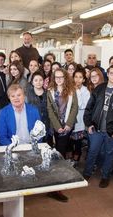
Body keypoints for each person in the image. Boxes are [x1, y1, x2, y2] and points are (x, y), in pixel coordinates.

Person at [83, 65, 113, 188]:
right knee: (92, 152)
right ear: (108, 74)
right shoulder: (99, 89)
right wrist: (88, 124)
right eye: (112, 73)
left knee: (110, 155)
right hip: (96, 128)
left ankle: (105, 176)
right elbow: (89, 108)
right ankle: (86, 173)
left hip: (112, 131)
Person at [47, 68, 78, 202]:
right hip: (56, 127)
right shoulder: (50, 91)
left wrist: (69, 124)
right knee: (56, 154)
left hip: (67, 126)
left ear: (65, 78)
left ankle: (58, 184)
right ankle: (54, 184)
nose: (59, 79)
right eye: (57, 77)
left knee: (61, 152)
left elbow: (74, 108)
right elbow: (49, 110)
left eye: (61, 77)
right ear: (54, 78)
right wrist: (57, 126)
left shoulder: (72, 91)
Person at [69, 68, 90, 167]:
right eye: (76, 77)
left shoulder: (85, 91)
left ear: (84, 80)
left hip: (79, 122)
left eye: (80, 77)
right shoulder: (69, 88)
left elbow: (82, 105)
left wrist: (77, 91)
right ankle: (70, 158)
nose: (77, 79)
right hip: (69, 121)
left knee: (77, 143)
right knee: (69, 142)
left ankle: (76, 160)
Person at [26, 71, 50, 143]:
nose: (38, 82)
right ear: (32, 82)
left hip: (46, 123)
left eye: (40, 80)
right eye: (36, 80)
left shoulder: (48, 93)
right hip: (33, 124)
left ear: (43, 81)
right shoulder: (28, 94)